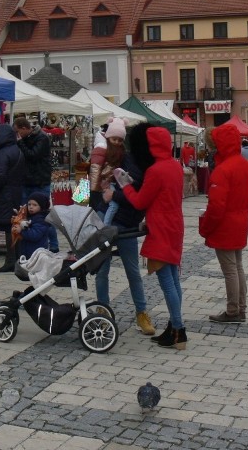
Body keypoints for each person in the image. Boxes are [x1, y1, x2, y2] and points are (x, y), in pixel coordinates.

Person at [115, 124, 185, 349]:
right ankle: (174, 328)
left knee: (167, 281)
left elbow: (140, 201)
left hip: (161, 228)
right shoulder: (175, 165)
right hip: (174, 225)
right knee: (173, 278)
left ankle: (178, 330)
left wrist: (124, 186)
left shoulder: (156, 170)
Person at [92, 122, 155, 337]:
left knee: (132, 271)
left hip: (127, 222)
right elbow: (91, 179)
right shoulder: (117, 156)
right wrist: (79, 202)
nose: (116, 143)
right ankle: (102, 310)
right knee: (102, 269)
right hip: (106, 216)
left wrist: (114, 195)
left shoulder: (145, 164)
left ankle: (141, 312)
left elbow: (139, 196)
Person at [198, 122, 248, 326]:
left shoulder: (222, 170)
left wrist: (205, 227)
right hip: (240, 222)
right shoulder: (246, 165)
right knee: (238, 267)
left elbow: (216, 207)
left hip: (225, 225)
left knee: (230, 270)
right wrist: (240, 213)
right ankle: (241, 308)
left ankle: (233, 311)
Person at [0, 122, 26, 272]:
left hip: (5, 193)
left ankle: (11, 260)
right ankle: (15, 257)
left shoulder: (3, 153)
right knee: (14, 225)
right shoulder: (16, 150)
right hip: (15, 191)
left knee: (9, 226)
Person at [14, 116, 55, 250]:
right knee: (25, 213)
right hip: (28, 181)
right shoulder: (27, 139)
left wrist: (20, 143)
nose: (17, 135)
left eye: (18, 132)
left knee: (45, 216)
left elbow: (33, 155)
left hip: (40, 181)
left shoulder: (41, 138)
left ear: (24, 129)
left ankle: (53, 245)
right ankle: (29, 241)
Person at [89, 118, 127, 226]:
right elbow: (95, 170)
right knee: (112, 206)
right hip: (103, 184)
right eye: (114, 139)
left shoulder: (119, 150)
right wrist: (95, 190)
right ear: (108, 136)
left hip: (111, 182)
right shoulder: (102, 148)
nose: (117, 142)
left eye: (120, 140)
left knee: (106, 208)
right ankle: (105, 227)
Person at [15, 192, 57, 259]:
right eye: (29, 204)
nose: (31, 207)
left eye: (35, 205)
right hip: (28, 252)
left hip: (36, 254)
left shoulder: (42, 220)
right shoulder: (30, 217)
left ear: (41, 206)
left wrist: (21, 231)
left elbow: (34, 236)